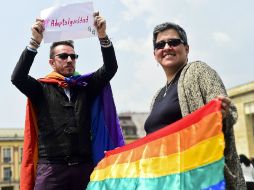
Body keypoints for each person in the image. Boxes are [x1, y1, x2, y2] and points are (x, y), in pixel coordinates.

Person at [11, 12, 123, 190]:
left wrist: (102, 37)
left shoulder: (85, 86)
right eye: (63, 56)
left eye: (73, 56)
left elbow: (110, 68)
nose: (70, 60)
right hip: (51, 171)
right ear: (52, 62)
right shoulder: (41, 88)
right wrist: (34, 42)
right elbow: (17, 78)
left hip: (84, 169)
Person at [144, 22, 246, 190]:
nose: (167, 47)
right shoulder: (157, 96)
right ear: (155, 54)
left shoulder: (198, 71)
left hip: (196, 179)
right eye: (160, 45)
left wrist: (221, 113)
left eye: (173, 42)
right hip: (163, 181)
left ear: (187, 48)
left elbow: (228, 111)